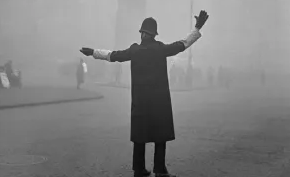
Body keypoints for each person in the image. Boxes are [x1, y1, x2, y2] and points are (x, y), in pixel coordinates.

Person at [80, 10, 209, 177]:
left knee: (139, 137)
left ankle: (139, 169)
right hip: (159, 101)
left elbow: (113, 56)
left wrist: (93, 52)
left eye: (143, 32)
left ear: (142, 33)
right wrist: (197, 28)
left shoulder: (135, 50)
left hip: (140, 101)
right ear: (154, 35)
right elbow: (182, 44)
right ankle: (160, 170)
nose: (143, 35)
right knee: (160, 136)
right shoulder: (161, 49)